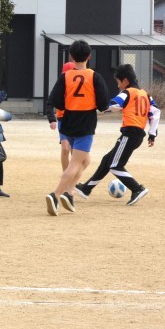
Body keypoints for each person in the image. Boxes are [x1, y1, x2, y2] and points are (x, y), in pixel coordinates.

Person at [75, 64, 161, 206]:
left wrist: (91, 110)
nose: (118, 86)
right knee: (107, 160)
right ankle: (86, 188)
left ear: (125, 80)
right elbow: (156, 112)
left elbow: (112, 105)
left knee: (115, 165)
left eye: (118, 82)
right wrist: (152, 134)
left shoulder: (127, 93)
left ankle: (137, 189)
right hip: (137, 135)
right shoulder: (146, 94)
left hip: (129, 134)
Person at [44, 40, 109, 215]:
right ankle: (56, 194)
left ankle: (70, 190)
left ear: (71, 57)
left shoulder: (65, 77)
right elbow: (103, 104)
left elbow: (56, 101)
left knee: (86, 161)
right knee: (75, 163)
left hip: (67, 121)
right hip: (85, 123)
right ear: (89, 56)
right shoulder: (94, 76)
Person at [47, 62, 76, 174]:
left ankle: (73, 175)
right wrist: (52, 119)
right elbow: (50, 102)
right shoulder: (60, 85)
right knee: (65, 148)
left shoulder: (79, 86)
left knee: (75, 150)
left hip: (76, 119)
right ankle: (66, 174)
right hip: (63, 119)